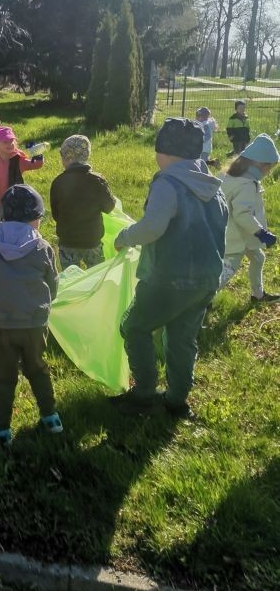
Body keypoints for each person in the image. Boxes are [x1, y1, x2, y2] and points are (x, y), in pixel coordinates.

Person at [112, 118, 228, 420]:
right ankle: (177, 399)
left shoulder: (168, 182)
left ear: (164, 152)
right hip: (205, 279)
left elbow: (153, 227)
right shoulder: (212, 186)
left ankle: (144, 393)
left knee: (135, 327)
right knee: (181, 338)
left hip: (168, 278)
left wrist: (124, 238)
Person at [0, 184, 62, 444]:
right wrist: (48, 302)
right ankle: (51, 418)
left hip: (4, 326)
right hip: (36, 323)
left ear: (5, 216)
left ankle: (1, 430)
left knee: (3, 377)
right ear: (36, 218)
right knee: (38, 369)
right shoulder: (42, 247)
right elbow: (53, 282)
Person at [219, 134, 279, 304]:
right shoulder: (246, 184)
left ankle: (258, 295)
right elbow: (242, 214)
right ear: (261, 165)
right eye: (270, 168)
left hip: (244, 233)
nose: (269, 172)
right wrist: (261, 232)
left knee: (258, 257)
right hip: (235, 235)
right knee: (228, 269)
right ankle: (200, 301)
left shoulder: (230, 176)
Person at [50, 134, 116, 270]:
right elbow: (109, 207)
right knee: (96, 276)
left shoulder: (58, 182)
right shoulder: (97, 181)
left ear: (65, 157)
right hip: (91, 241)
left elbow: (56, 214)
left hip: (68, 241)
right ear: (87, 155)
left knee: (70, 278)